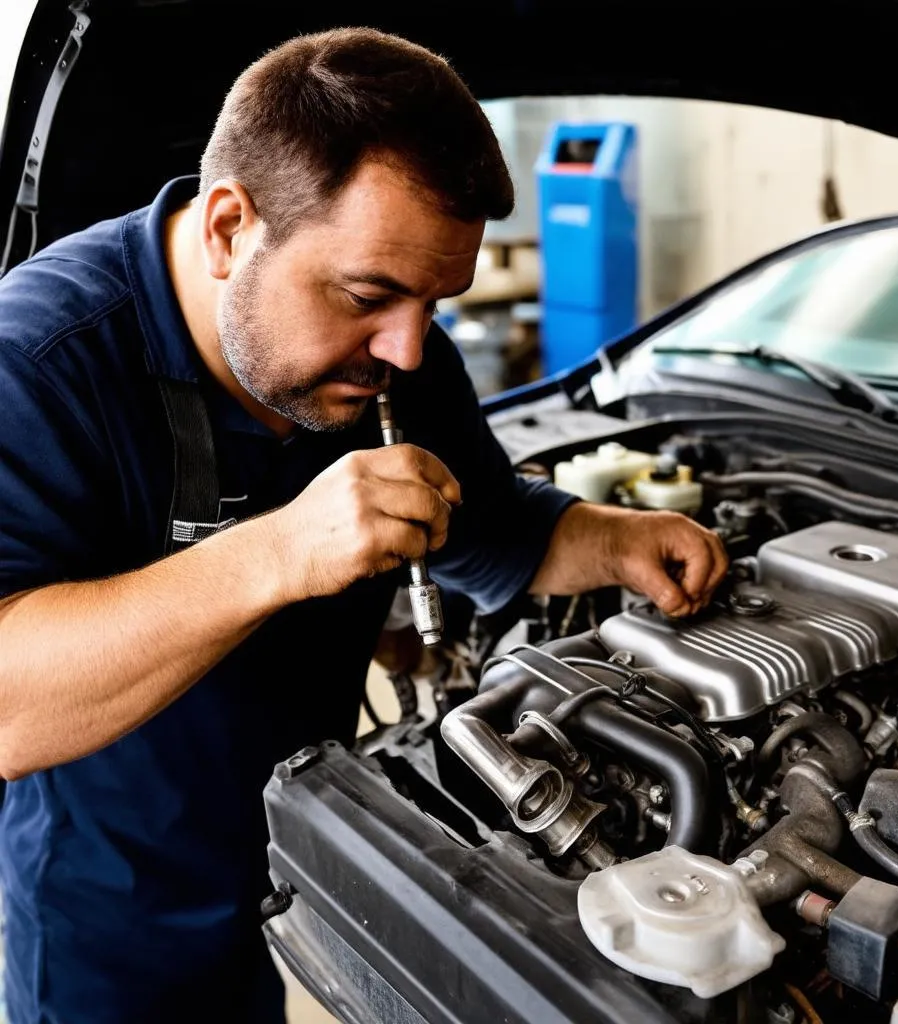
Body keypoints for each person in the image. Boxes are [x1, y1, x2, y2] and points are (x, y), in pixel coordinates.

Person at [0, 27, 728, 1023]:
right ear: (227, 228)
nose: (407, 346)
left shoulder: (397, 351)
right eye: (368, 295)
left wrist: (621, 536)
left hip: (303, 849)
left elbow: (490, 529)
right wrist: (281, 550)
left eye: (436, 301)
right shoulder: (41, 362)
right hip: (117, 911)